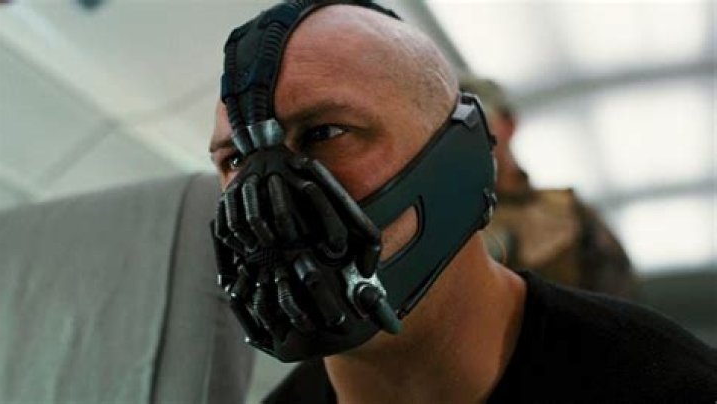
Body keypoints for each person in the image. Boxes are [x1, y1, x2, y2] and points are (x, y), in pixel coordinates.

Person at [207, 1, 717, 403]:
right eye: (235, 160)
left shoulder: (663, 383)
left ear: (461, 155)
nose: (265, 199)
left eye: (325, 132)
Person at [461, 77, 636, 298]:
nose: (467, 137)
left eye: (477, 121)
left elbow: (617, 295)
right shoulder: (455, 223)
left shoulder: (568, 212)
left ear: (508, 125)